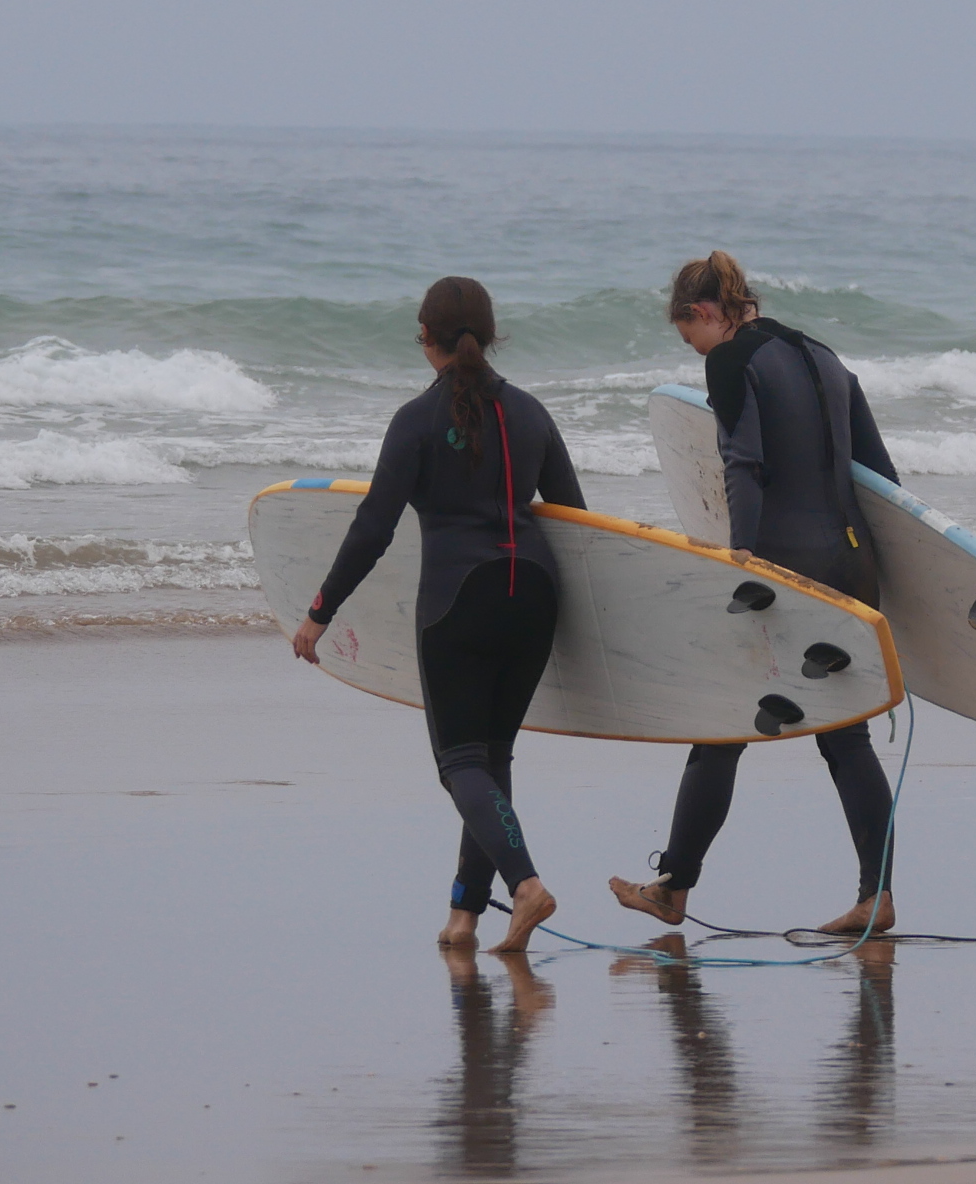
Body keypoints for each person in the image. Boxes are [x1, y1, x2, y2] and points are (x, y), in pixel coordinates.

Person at [609, 249, 904, 937]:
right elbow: (881, 475)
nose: (696, 353)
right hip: (853, 562)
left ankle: (674, 888)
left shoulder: (732, 361)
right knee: (845, 737)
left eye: (691, 337)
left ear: (706, 314)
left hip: (783, 569)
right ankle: (877, 894)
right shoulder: (823, 355)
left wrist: (742, 561)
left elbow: (743, 462)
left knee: (721, 728)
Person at [295, 276, 584, 953]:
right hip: (536, 596)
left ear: (425, 338)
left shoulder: (416, 421)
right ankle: (464, 916)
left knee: (459, 763)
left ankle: (526, 884)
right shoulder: (534, 414)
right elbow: (578, 521)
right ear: (489, 335)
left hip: (460, 602)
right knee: (491, 758)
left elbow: (373, 527)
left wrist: (319, 612)